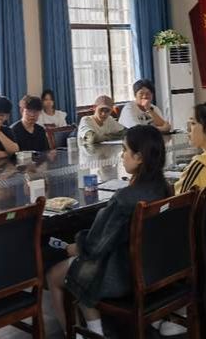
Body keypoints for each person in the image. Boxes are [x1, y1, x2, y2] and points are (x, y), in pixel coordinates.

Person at [46, 126, 172, 337]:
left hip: (123, 275)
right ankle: (95, 330)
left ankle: (83, 334)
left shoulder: (124, 199)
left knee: (57, 274)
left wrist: (72, 247)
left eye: (124, 150)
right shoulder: (164, 188)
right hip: (154, 268)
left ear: (139, 157)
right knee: (81, 265)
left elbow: (95, 246)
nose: (122, 155)